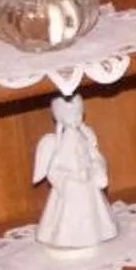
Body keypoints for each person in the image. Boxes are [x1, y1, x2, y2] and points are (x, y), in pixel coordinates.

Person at [33, 94, 117, 252]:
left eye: (78, 113)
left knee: (93, 216)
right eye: (71, 115)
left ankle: (95, 232)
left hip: (87, 182)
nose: (76, 118)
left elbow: (94, 155)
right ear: (60, 117)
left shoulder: (86, 135)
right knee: (70, 218)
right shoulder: (61, 142)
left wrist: (96, 167)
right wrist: (68, 178)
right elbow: (54, 169)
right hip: (72, 187)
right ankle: (70, 237)